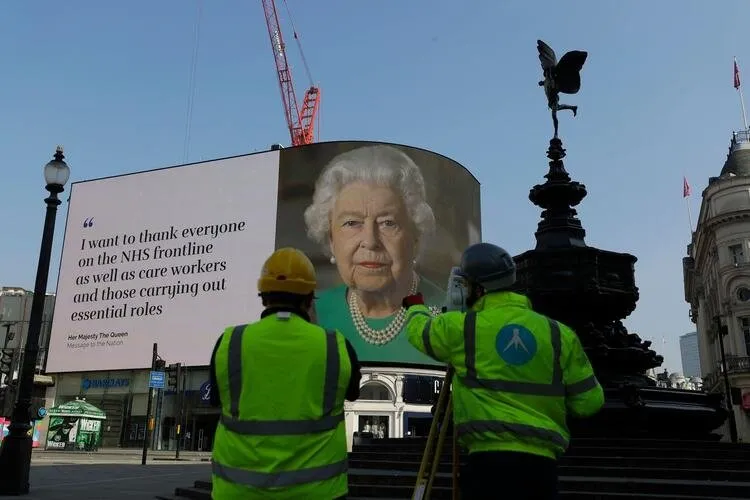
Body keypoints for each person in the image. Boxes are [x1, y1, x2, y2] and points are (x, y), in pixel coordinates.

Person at [402, 242, 605, 500]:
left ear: (475, 288)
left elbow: (420, 332)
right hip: (542, 469)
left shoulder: (464, 328)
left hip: (488, 466)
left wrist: (415, 307)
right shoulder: (559, 334)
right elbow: (589, 403)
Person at [208, 247, 362, 500]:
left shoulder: (230, 342)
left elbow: (217, 400)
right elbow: (353, 393)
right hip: (318, 493)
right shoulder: (336, 345)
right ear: (310, 298)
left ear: (263, 296)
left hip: (238, 492)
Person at [303, 144, 444, 365]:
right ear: (331, 240)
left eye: (388, 223)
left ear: (415, 238)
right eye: (352, 223)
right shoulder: (311, 315)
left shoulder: (449, 315)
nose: (370, 241)